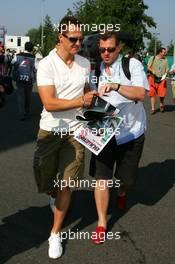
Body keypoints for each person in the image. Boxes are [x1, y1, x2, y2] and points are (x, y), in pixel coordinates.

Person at [33, 16, 97, 259]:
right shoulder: (46, 64)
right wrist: (81, 101)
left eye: (81, 39)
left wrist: (94, 99)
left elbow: (86, 90)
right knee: (45, 179)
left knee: (66, 182)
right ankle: (53, 195)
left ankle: (55, 233)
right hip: (50, 130)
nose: (78, 43)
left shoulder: (84, 62)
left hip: (75, 131)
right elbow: (49, 103)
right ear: (60, 37)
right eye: (73, 39)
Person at [89, 31, 149, 244]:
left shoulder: (131, 64)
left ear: (119, 48)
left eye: (110, 49)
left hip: (132, 133)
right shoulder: (95, 68)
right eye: (102, 49)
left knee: (127, 180)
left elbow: (141, 94)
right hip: (105, 132)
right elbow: (91, 94)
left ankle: (122, 193)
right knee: (101, 178)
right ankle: (102, 223)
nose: (106, 53)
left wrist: (115, 86)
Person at [12, 41, 35, 120]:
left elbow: (12, 63)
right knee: (28, 96)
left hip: (19, 78)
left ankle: (21, 114)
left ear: (25, 47)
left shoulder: (17, 56)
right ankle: (27, 111)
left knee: (20, 96)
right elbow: (36, 68)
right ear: (32, 49)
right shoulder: (33, 57)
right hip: (29, 79)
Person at [147, 47, 169, 114]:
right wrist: (152, 70)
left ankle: (161, 104)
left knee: (162, 94)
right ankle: (153, 109)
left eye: (165, 52)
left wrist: (166, 73)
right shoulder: (152, 58)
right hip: (152, 78)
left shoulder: (165, 60)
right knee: (152, 94)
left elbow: (167, 69)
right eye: (164, 52)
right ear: (160, 52)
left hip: (161, 79)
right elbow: (148, 67)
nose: (165, 53)